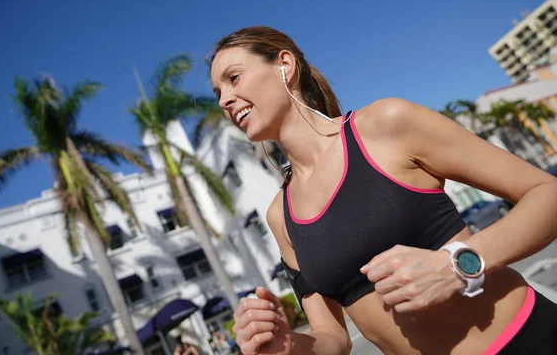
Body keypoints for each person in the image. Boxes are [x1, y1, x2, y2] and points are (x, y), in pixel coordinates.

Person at [209, 26, 557, 355]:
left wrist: (455, 266)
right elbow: (332, 339)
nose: (225, 100)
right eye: (218, 93)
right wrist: (286, 346)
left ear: (285, 65)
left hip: (527, 338)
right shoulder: (280, 216)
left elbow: (546, 193)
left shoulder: (386, 126)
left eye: (233, 78)